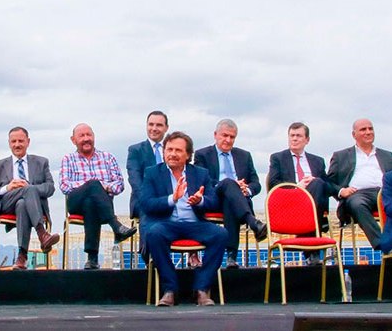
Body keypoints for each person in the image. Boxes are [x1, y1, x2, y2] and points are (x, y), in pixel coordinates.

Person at [141, 131, 228, 307]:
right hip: (166, 224)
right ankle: (170, 289)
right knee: (154, 234)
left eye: (178, 150)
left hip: (194, 224)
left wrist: (200, 200)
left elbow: (214, 201)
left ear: (188, 155)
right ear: (164, 151)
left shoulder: (200, 173)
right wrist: (171, 199)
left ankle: (201, 289)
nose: (172, 154)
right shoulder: (152, 173)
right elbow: (146, 204)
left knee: (221, 234)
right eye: (169, 149)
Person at [59, 123, 137, 269]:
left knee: (91, 203)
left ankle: (92, 259)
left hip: (101, 206)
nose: (86, 138)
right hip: (76, 202)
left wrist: (104, 187)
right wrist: (91, 185)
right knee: (93, 185)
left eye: (89, 135)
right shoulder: (68, 159)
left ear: (94, 137)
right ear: (73, 140)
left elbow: (119, 185)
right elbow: (64, 186)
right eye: (81, 136)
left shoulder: (108, 157)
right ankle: (116, 226)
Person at [194, 119, 266, 269]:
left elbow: (256, 183)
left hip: (236, 201)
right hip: (214, 198)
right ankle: (252, 222)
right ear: (215, 135)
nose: (228, 140)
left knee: (230, 200)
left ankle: (231, 257)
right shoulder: (202, 155)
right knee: (228, 183)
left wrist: (247, 189)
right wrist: (231, 184)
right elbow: (202, 180)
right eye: (225, 135)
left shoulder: (244, 156)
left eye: (232, 137)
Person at [0, 126, 60, 270]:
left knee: (22, 204)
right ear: (9, 143)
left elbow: (50, 188)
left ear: (28, 142)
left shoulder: (41, 162)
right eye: (13, 141)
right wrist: (8, 187)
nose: (17, 144)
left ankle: (22, 256)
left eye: (20, 141)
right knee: (26, 192)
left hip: (30, 205)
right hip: (7, 203)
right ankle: (42, 233)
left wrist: (30, 188)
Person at [268, 122, 330, 265]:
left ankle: (307, 240)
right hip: (289, 204)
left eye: (299, 136)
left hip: (313, 204)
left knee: (318, 183)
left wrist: (313, 182)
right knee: (317, 185)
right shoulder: (277, 158)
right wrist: (297, 187)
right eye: (292, 136)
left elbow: (328, 186)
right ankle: (313, 251)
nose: (294, 139)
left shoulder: (318, 161)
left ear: (307, 140)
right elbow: (273, 184)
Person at [328, 118, 392, 251]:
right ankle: (383, 244)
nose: (368, 132)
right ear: (354, 134)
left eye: (370, 129)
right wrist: (341, 191)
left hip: (384, 193)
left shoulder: (388, 156)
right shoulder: (341, 156)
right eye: (363, 129)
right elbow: (329, 182)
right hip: (358, 195)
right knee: (357, 204)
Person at [126, 110, 169, 264]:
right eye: (151, 124)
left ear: (166, 128)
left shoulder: (172, 149)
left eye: (159, 125)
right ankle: (149, 256)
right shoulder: (135, 150)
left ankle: (193, 255)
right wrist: (149, 200)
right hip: (143, 200)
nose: (154, 128)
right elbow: (135, 179)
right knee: (148, 210)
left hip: (170, 198)